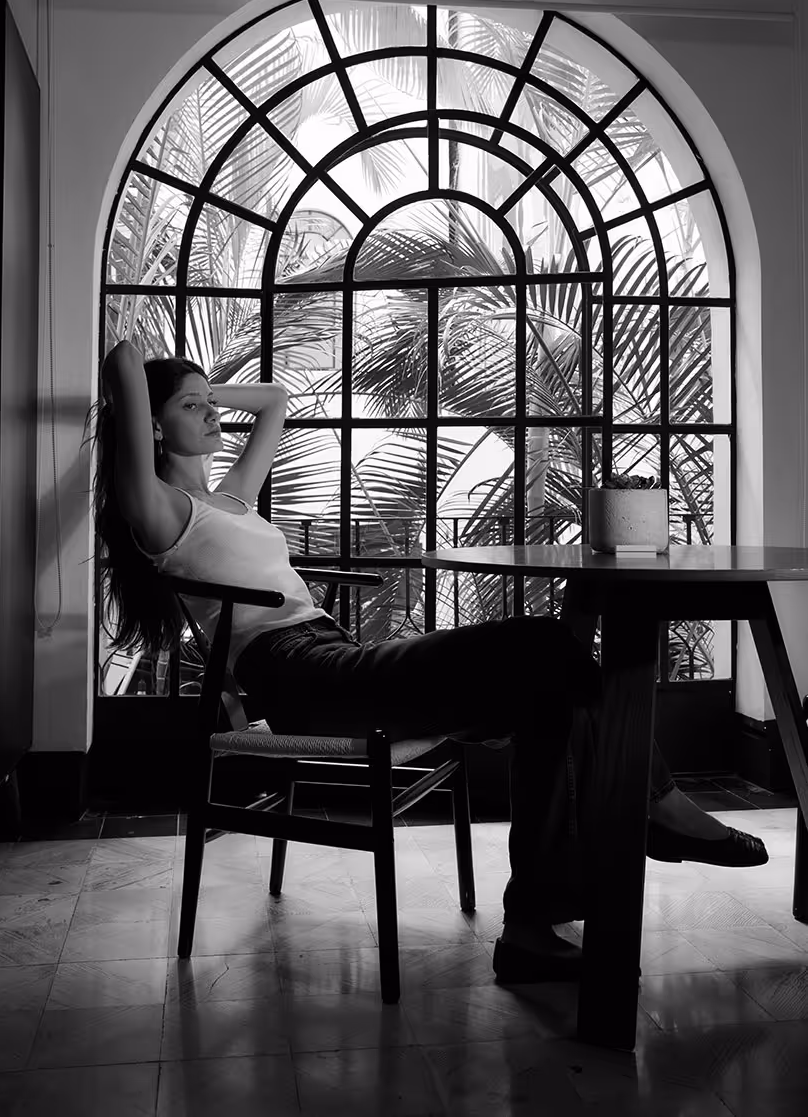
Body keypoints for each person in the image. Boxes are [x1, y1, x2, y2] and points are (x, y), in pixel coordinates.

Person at [93, 344, 768, 983]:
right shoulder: (155, 511)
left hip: (334, 656)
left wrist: (201, 390)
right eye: (192, 406)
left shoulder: (234, 495)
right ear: (148, 427)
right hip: (296, 677)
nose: (214, 414)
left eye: (211, 403)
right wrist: (152, 398)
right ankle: (663, 806)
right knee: (541, 642)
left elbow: (275, 399)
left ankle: (530, 931)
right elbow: (124, 358)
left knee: (555, 695)